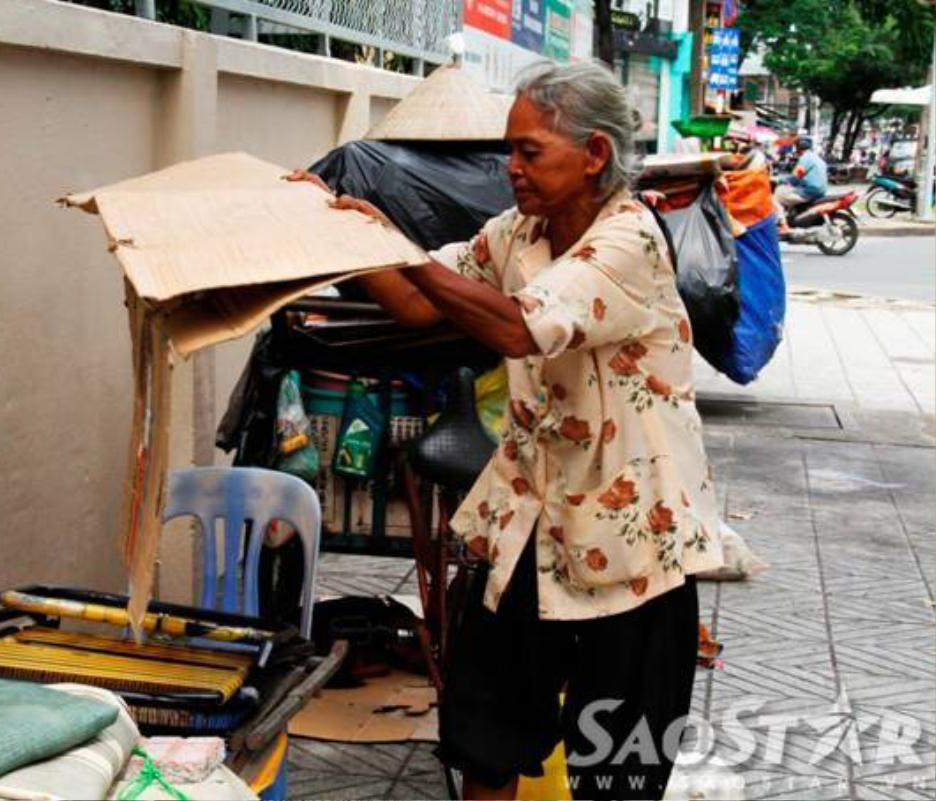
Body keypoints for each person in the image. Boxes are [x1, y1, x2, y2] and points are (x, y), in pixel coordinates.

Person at [290, 60, 723, 800]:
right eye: (510, 151)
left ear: (594, 155)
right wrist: (340, 232)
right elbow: (419, 303)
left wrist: (395, 243)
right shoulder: (517, 231)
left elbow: (521, 327)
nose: (510, 168)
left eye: (529, 152)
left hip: (631, 540)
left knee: (618, 764)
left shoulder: (630, 240)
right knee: (484, 733)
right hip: (530, 521)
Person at [774, 135, 828, 229]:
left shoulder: (805, 158)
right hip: (820, 190)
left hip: (809, 191)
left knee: (776, 197)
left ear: (799, 146)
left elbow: (796, 177)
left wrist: (779, 180)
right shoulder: (816, 158)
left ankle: (783, 225)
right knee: (789, 191)